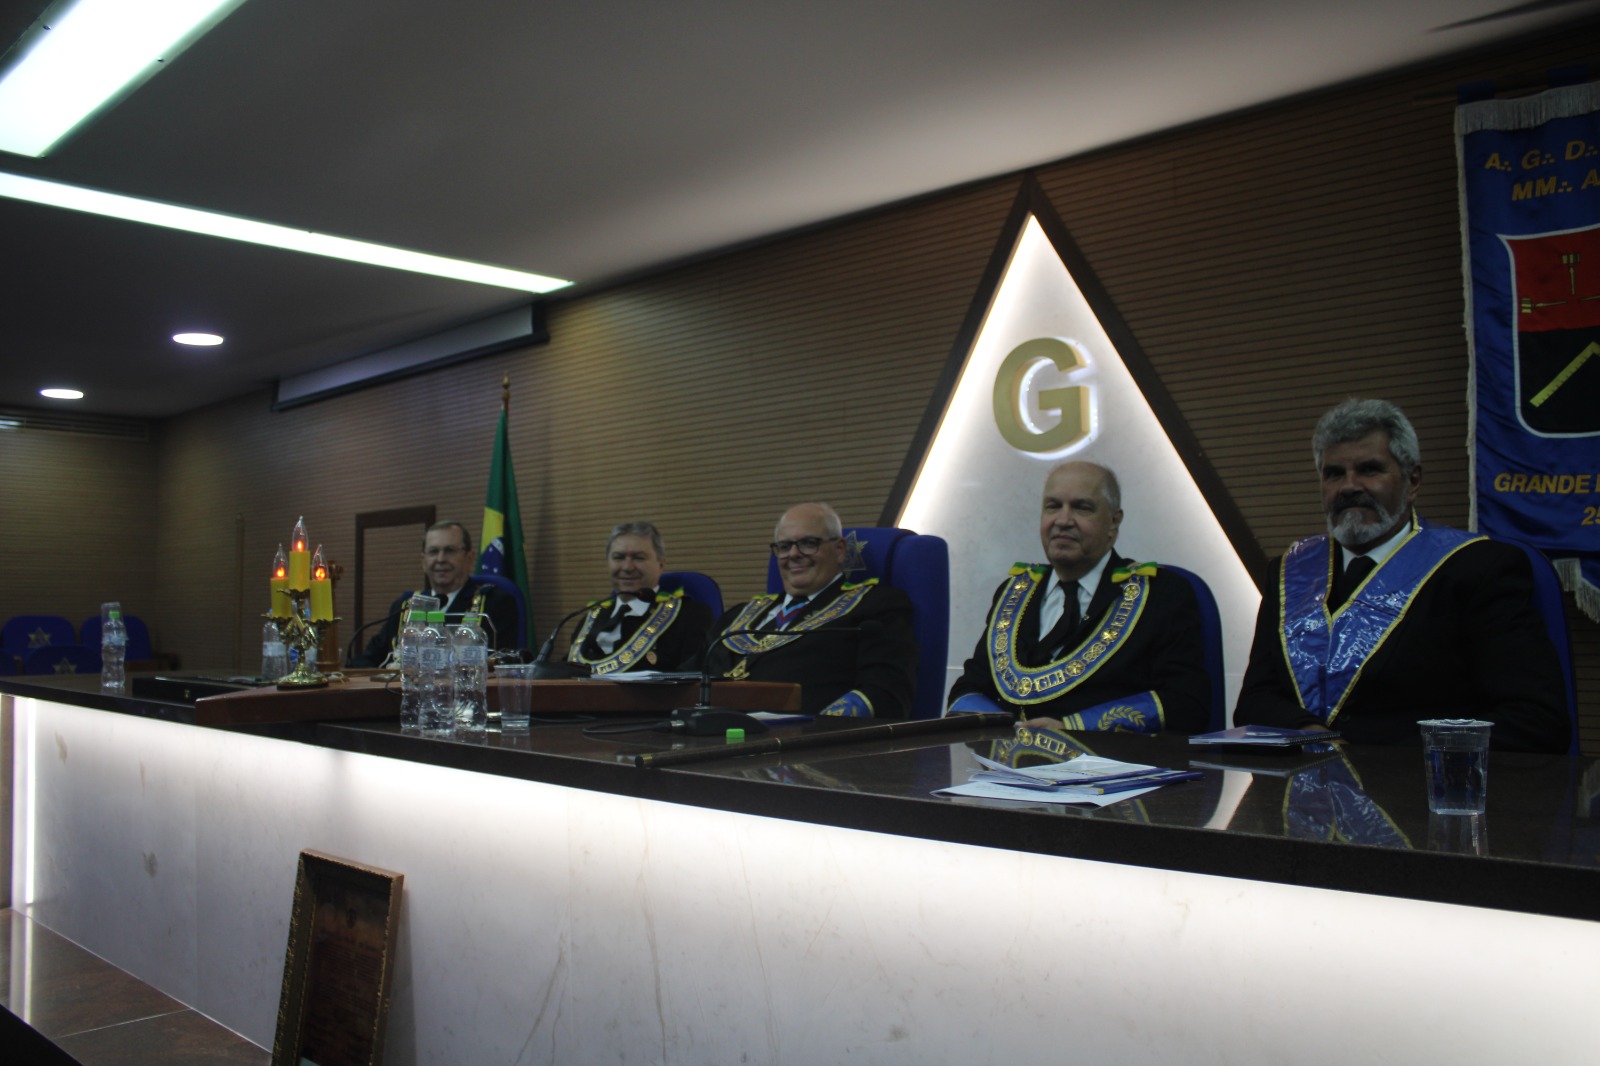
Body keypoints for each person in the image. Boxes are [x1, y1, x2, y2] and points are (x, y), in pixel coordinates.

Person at [1234, 398, 1570, 752]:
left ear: (1413, 482)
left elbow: (1535, 720)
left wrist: (1377, 761)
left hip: (1419, 780)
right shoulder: (1289, 572)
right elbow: (1255, 702)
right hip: (1305, 779)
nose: (1348, 486)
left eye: (1369, 469)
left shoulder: (1478, 568)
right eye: (1334, 473)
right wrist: (1312, 733)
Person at [946, 461, 1212, 731]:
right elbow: (968, 689)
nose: (1063, 521)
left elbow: (1187, 703)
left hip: (1105, 756)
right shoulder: (1014, 593)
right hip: (1008, 756)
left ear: (1114, 521)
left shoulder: (1161, 595)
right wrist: (1006, 730)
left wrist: (1074, 728)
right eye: (1053, 506)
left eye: (1082, 508)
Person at [699, 503, 918, 717]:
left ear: (840, 550)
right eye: (784, 546)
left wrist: (813, 729)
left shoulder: (874, 608)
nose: (793, 554)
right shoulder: (739, 616)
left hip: (799, 738)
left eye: (809, 543)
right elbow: (688, 676)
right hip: (706, 733)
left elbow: (885, 694)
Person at [351, 521, 522, 667]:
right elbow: (367, 660)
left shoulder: (494, 602)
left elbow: (504, 664)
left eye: (450, 550)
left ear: (469, 558)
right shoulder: (406, 605)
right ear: (423, 561)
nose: (440, 559)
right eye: (433, 551)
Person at [564, 521, 713, 674]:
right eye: (618, 557)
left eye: (638, 558)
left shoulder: (689, 616)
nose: (627, 567)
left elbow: (693, 679)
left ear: (661, 563)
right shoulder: (591, 617)